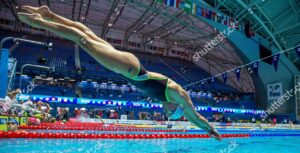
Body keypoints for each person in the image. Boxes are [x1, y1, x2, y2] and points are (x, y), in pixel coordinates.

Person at [18, 5, 222, 140]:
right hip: (129, 69)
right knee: (83, 40)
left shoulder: (172, 100)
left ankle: (49, 15)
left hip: (129, 66)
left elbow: (194, 118)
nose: (164, 111)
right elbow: (194, 115)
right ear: (176, 107)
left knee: (89, 35)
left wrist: (210, 132)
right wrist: (207, 127)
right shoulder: (178, 95)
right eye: (169, 112)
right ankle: (39, 22)